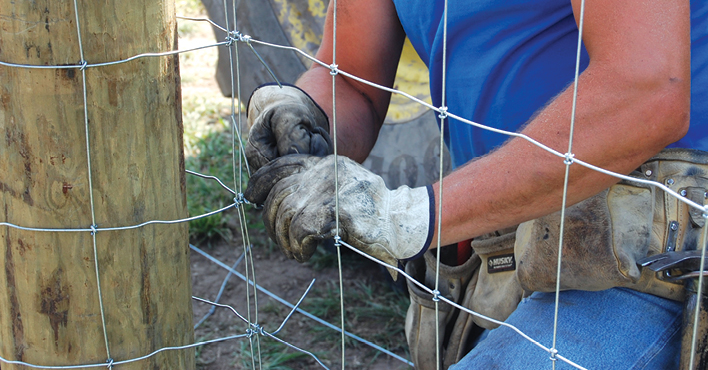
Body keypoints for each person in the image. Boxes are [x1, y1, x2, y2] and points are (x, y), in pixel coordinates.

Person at [243, 0, 708, 368]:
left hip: (655, 242)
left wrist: (409, 216)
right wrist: (305, 116)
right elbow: (351, 79)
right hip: (511, 235)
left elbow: (646, 91)